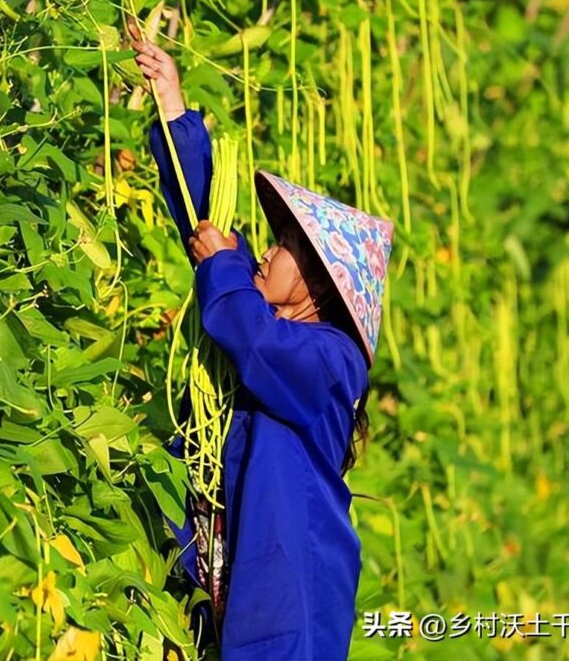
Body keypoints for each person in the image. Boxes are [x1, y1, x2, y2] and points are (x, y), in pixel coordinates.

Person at [133, 36, 394, 660]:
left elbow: (249, 333)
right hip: (216, 595)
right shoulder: (263, 308)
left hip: (287, 612)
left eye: (283, 248)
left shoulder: (333, 363)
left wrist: (223, 266)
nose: (268, 251)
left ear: (315, 282)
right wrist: (173, 108)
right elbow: (210, 231)